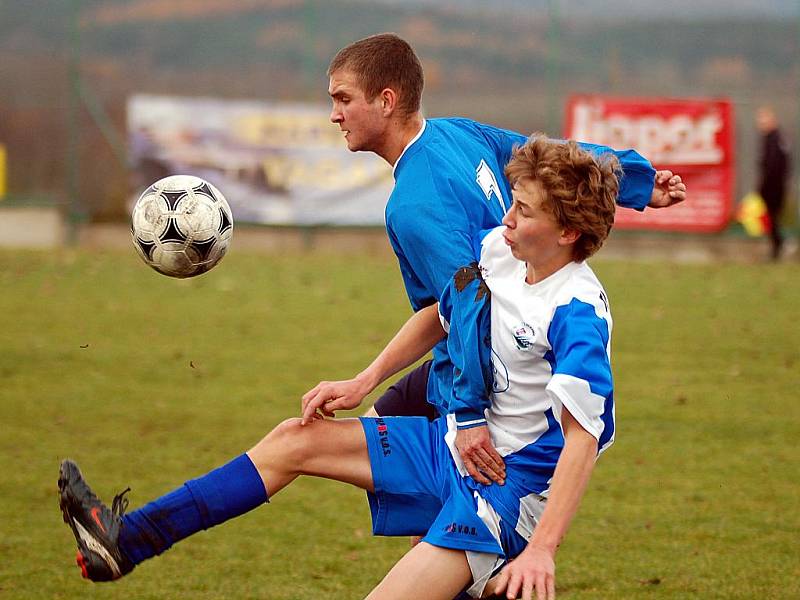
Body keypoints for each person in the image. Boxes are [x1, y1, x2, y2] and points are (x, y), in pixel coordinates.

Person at [59, 135, 621, 599]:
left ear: (568, 233)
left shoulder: (577, 314)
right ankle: (126, 541)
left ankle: (494, 567)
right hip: (451, 446)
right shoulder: (501, 249)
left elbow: (582, 439)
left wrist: (544, 546)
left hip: (507, 490)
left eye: (524, 211)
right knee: (293, 441)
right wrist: (363, 381)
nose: (506, 218)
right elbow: (443, 314)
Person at [305, 33, 685, 486]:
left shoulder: (412, 205)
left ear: (386, 100)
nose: (335, 114)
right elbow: (555, 160)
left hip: (480, 372)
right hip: (467, 357)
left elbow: (469, 300)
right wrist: (637, 183)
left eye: (343, 99)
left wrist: (467, 416)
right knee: (391, 478)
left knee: (424, 503)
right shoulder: (457, 133)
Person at [755, 106, 791, 260]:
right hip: (774, 186)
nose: (761, 124)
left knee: (773, 218)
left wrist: (764, 186)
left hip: (774, 187)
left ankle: (780, 245)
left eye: (764, 120)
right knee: (772, 219)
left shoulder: (775, 139)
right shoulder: (774, 139)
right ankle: (778, 247)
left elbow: (774, 166)